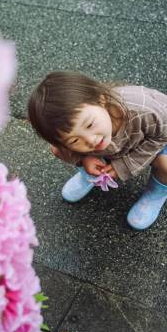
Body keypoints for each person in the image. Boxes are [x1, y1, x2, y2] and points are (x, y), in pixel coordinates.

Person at [28, 71, 167, 230]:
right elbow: (64, 145)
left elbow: (161, 136)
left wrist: (124, 165)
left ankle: (156, 192)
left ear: (101, 100)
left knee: (165, 165)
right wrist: (83, 159)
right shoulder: (93, 131)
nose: (90, 140)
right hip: (119, 142)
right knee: (58, 150)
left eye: (89, 125)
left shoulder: (143, 111)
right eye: (74, 140)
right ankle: (92, 174)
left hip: (158, 135)